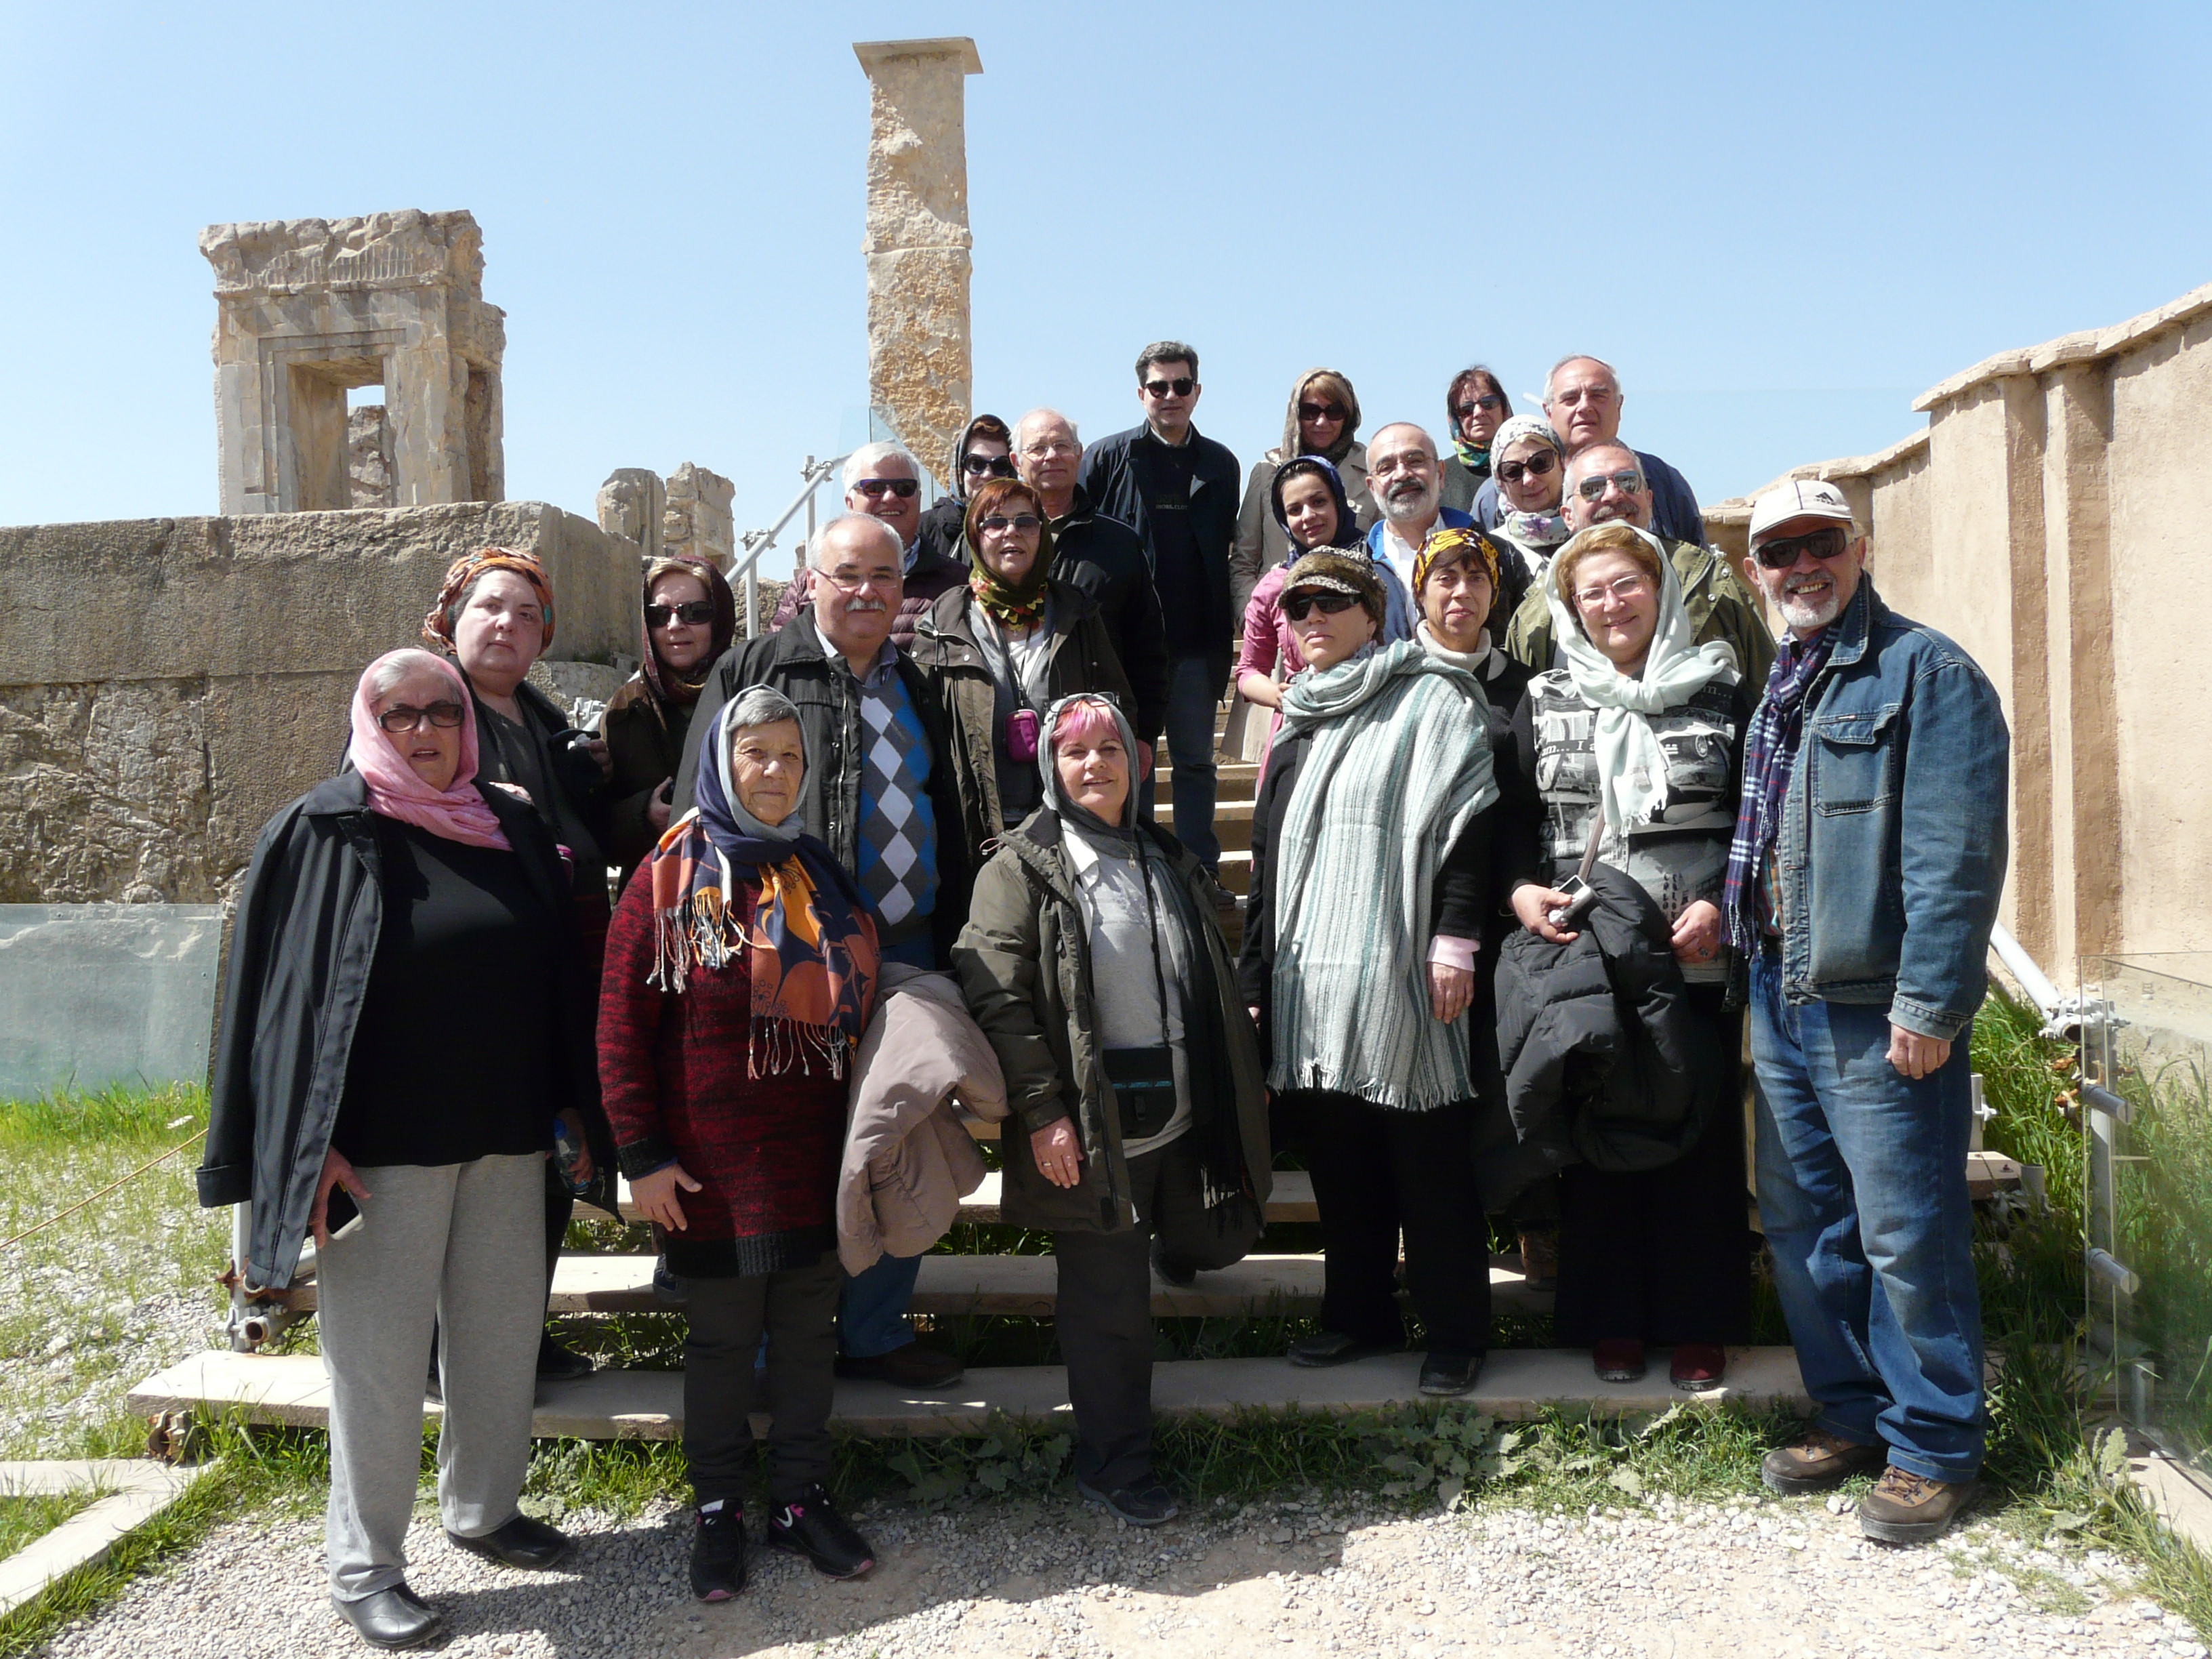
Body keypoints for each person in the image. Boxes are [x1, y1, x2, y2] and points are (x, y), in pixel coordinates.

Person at [198, 649, 592, 1650]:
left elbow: (554, 969)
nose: (425, 731)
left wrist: (574, 1107)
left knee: (500, 1345)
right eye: (402, 713)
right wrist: (301, 1147)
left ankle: (484, 1511)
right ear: (370, 721)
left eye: (443, 713)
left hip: (505, 1141)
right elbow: (270, 1009)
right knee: (376, 1370)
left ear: (468, 722)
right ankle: (365, 1567)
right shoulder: (322, 829)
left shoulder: (507, 821)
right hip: (378, 1155)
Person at [1732, 480, 2010, 1545]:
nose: (1803, 565)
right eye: (1779, 550)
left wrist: (1933, 1001)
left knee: (1905, 1233)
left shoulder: (1926, 670)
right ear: (1756, 567)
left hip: (1874, 1003)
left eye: (1822, 544)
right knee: (1806, 1229)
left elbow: (1956, 855)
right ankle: (1852, 1416)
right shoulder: (1788, 675)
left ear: (1861, 546)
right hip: (1781, 993)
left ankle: (1935, 1444)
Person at [955, 693, 1269, 1525]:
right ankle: (1116, 1462)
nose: (1094, 765)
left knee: (1213, 1235)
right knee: (1108, 1307)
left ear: (1138, 764)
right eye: (1074, 753)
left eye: (1110, 750)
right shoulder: (1019, 869)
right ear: (1052, 769)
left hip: (1178, 1110)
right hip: (1089, 1130)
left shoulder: (1162, 856)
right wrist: (1043, 1112)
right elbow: (999, 1000)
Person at [672, 512, 970, 1391]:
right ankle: (770, 1353)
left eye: (886, 575)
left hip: (906, 950)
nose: (870, 591)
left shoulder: (918, 684)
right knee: (790, 1149)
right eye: (849, 574)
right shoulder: (754, 671)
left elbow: (942, 809)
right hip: (784, 953)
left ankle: (878, 1332)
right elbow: (699, 819)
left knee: (898, 1131)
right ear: (812, 582)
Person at [600, 687, 884, 1599]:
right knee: (724, 1347)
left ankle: (799, 1500)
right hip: (710, 1172)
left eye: (789, 758)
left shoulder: (818, 872)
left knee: (807, 1337)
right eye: (756, 754)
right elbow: (619, 1027)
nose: (773, 772)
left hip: (810, 1158)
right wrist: (641, 1156)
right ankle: (718, 1508)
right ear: (721, 764)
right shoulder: (666, 879)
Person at [1239, 551, 1502, 1396]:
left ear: (1372, 612)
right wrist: (1254, 980)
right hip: (1311, 987)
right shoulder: (1299, 722)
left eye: (1328, 602)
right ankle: (1358, 1314)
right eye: (1295, 604)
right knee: (1342, 1168)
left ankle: (1457, 1331)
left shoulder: (1433, 697)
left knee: (1426, 1161)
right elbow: (1269, 865)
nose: (1308, 616)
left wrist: (1455, 939)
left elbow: (1468, 827)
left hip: (1403, 975)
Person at [1504, 522, 1756, 1389]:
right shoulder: (1543, 698)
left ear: (1662, 588)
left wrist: (1730, 901)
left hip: (1697, 954)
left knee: (1701, 1136)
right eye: (1592, 593)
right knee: (1602, 1132)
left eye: (1626, 585)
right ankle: (1609, 1317)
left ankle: (1698, 1319)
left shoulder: (1723, 690)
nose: (1612, 605)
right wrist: (1519, 891)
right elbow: (1508, 819)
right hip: (1592, 955)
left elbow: (1762, 815)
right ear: (1570, 609)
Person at [423, 546, 616, 1384]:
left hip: (548, 981)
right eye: (489, 607)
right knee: (471, 1177)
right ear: (452, 620)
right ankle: (446, 1350)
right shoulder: (423, 714)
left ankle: (518, 1336)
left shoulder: (542, 725)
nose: (506, 624)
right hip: (467, 992)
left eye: (526, 614)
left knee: (547, 1162)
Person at [1409, 527, 1551, 1279]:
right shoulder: (1394, 682)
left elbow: (1531, 804)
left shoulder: (1527, 687)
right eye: (1444, 579)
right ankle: (1424, 1234)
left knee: (1505, 1075)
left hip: (1505, 913)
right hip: (1412, 913)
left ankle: (1530, 1222)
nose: (1459, 592)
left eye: (1475, 578)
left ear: (1497, 592)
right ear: (1420, 592)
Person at [1079, 342, 1242, 901]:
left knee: (1196, 765)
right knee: (1132, 765)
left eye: (1181, 385)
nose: (1170, 396)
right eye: (1158, 387)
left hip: (1197, 643)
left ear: (1197, 391)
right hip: (1126, 648)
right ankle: (1138, 872)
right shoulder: (1106, 458)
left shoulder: (1221, 463)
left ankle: (1201, 874)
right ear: (1141, 393)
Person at [910, 475, 1139, 865]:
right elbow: (919, 730)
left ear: (1042, 533)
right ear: (975, 537)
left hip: (1072, 825)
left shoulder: (1076, 613)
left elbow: (1119, 709)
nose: (1011, 532)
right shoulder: (943, 622)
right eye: (995, 522)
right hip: (978, 827)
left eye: (1025, 522)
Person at [1504, 444, 1774, 689]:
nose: (1612, 494)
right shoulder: (1537, 613)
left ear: (1649, 499)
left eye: (1628, 482)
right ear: (1568, 516)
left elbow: (1767, 692)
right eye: (1592, 488)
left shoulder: (1711, 583)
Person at [1012, 408, 1170, 744]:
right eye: (1038, 448)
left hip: (1102, 732)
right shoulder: (995, 541)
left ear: (1080, 454)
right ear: (1016, 461)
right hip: (1016, 731)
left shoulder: (1119, 542)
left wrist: (1144, 736)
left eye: (1062, 446)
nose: (1051, 456)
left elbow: (1147, 645)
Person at [605, 553, 738, 893]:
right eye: (660, 615)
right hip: (655, 898)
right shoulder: (626, 705)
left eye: (695, 612)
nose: (675, 626)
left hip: (741, 888)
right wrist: (643, 813)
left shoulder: (747, 693)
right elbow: (598, 823)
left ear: (719, 618)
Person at [1471, 355, 1704, 546]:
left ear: (1619, 405)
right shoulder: (1499, 494)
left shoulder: (1662, 480)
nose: (1584, 406)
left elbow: (1695, 572)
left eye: (1598, 395)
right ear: (1549, 412)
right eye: (1570, 398)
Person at [1233, 455, 1368, 772]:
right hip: (1298, 730)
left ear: (1338, 501)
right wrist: (1279, 695)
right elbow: (1249, 671)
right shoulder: (1275, 585)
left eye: (1319, 502)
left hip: (1368, 723)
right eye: (1294, 510)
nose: (1309, 516)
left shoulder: (1373, 569)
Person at [772, 444, 969, 649]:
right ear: (850, 503)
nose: (890, 497)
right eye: (874, 488)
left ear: (918, 498)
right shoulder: (810, 584)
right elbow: (779, 657)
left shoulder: (958, 585)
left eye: (904, 488)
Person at [1229, 368, 1377, 616]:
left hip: (1350, 621)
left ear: (1349, 415)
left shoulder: (1372, 470)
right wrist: (1253, 615)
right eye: (1310, 412)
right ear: (1295, 415)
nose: (1322, 422)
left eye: (1334, 411)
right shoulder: (1267, 473)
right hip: (1277, 622)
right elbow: (1243, 561)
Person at [1365, 423, 1532, 637]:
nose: (1402, 474)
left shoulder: (1499, 554)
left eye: (1415, 461)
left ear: (1441, 473)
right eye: (1386, 467)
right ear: (1371, 487)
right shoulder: (1358, 566)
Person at [914, 413, 1014, 569]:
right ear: (960, 470)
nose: (987, 475)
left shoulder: (1024, 529)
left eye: (1000, 465)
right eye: (976, 464)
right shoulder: (924, 530)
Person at [1485, 414, 1572, 591]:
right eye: (1512, 471)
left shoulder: (1593, 533)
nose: (1529, 480)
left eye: (1540, 463)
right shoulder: (1490, 553)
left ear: (1562, 463)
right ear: (1500, 482)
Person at [1439, 366, 1512, 513]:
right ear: (1454, 420)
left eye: (1488, 404)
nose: (1478, 413)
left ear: (1504, 409)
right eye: (1466, 409)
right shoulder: (1440, 478)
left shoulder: (1533, 464)